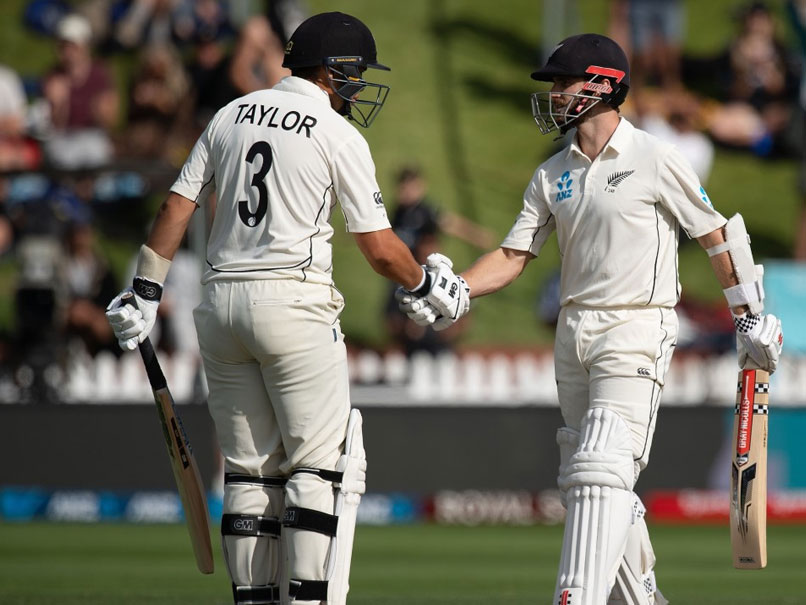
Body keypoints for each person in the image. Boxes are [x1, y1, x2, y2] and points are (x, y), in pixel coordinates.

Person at [400, 34, 783, 604]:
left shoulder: (654, 156)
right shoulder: (553, 173)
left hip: (636, 328)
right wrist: (459, 288)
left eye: (563, 83)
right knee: (594, 483)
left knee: (602, 464)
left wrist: (749, 317)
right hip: (573, 333)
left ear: (602, 85)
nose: (554, 95)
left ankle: (573, 597)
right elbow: (512, 255)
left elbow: (715, 233)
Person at [105, 11, 447, 605]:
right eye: (356, 73)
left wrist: (144, 292)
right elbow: (380, 248)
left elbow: (176, 209)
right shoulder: (338, 133)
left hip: (220, 308)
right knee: (316, 469)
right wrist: (424, 286)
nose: (360, 86)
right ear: (331, 70)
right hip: (293, 304)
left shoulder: (228, 115)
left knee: (247, 474)